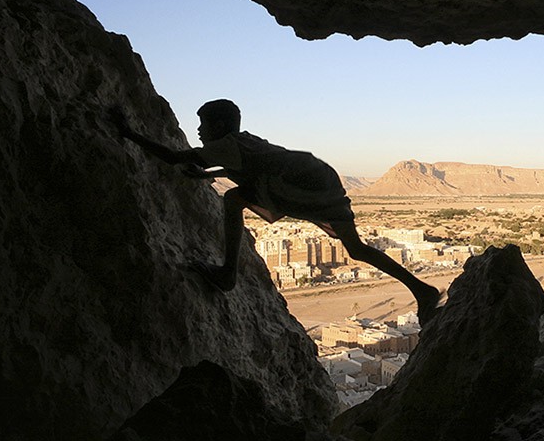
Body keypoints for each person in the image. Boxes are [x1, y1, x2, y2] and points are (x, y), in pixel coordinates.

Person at [111, 99, 443, 320]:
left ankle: (227, 273)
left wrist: (128, 133)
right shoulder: (244, 140)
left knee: (233, 199)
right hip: (317, 176)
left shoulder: (225, 145)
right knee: (356, 248)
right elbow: (252, 166)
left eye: (203, 124)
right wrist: (206, 174)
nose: (199, 131)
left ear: (220, 125)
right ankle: (422, 290)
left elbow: (173, 157)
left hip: (303, 184)